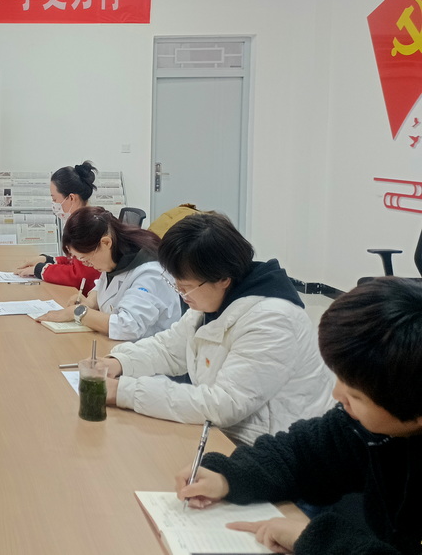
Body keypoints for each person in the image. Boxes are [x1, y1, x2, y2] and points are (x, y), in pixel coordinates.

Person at [175, 277, 422, 555]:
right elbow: (302, 453)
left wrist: (316, 540)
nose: (337, 394)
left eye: (356, 396)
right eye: (340, 379)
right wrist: (229, 477)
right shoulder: (364, 424)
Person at [101, 212, 334, 446]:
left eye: (186, 287)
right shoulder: (212, 301)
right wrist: (119, 362)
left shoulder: (272, 320)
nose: (181, 294)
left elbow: (224, 404)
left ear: (223, 279)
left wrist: (124, 391)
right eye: (177, 285)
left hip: (275, 447)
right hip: (228, 433)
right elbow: (170, 349)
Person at [36, 207, 182, 340]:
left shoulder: (150, 273)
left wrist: (78, 312)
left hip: (148, 353)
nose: (87, 265)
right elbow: (102, 285)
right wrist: (90, 302)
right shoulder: (115, 256)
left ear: (106, 242)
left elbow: (128, 326)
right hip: (120, 347)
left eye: (86, 259)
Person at [14, 160, 101, 296]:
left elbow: (79, 276)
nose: (54, 204)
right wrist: (48, 260)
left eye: (55, 199)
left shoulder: (88, 226)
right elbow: (75, 263)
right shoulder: (81, 220)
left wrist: (40, 270)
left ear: (71, 198)